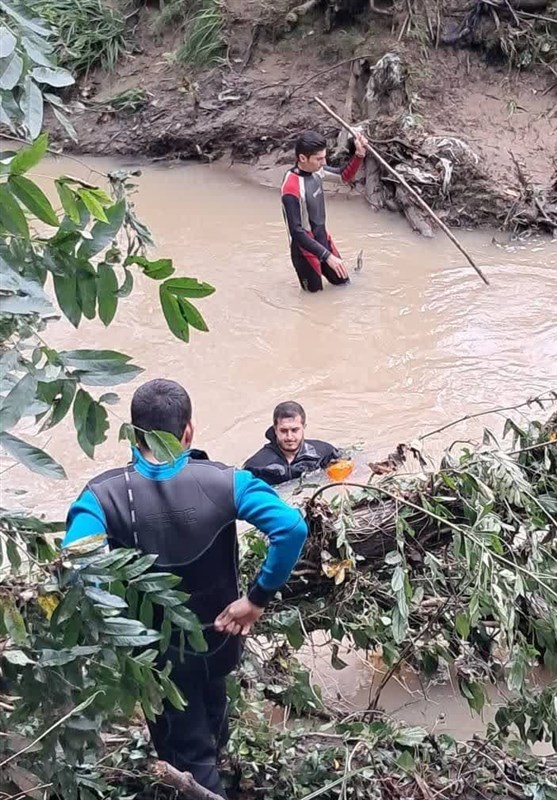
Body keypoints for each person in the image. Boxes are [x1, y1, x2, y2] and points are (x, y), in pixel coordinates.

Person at [62, 379, 308, 798]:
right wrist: (256, 599)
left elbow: (77, 567)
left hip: (156, 661)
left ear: (135, 434)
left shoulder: (101, 498)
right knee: (213, 708)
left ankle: (205, 781)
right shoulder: (228, 482)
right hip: (221, 639)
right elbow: (291, 528)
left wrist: (112, 628)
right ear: (188, 431)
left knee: (188, 754)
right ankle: (217, 759)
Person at [281, 129, 368, 293]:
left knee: (345, 286)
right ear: (302, 158)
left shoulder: (317, 172)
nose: (324, 162)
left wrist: (359, 155)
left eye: (324, 157)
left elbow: (344, 176)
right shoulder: (291, 187)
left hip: (324, 242)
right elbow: (296, 232)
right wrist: (327, 256)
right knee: (314, 302)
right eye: (319, 158)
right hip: (305, 252)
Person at [244, 401, 340, 486]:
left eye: (294, 430)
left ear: (304, 427)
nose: (289, 437)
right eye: (283, 430)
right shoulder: (257, 466)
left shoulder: (325, 453)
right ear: (275, 430)